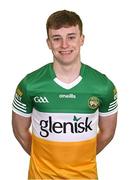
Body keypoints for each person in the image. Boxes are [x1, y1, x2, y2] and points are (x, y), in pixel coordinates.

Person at [12, 10, 118, 179]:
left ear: (82, 39)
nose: (64, 45)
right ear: (48, 43)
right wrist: (44, 160)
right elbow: (20, 132)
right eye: (56, 38)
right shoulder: (29, 84)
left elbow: (107, 133)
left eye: (71, 37)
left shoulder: (103, 86)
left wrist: (82, 158)